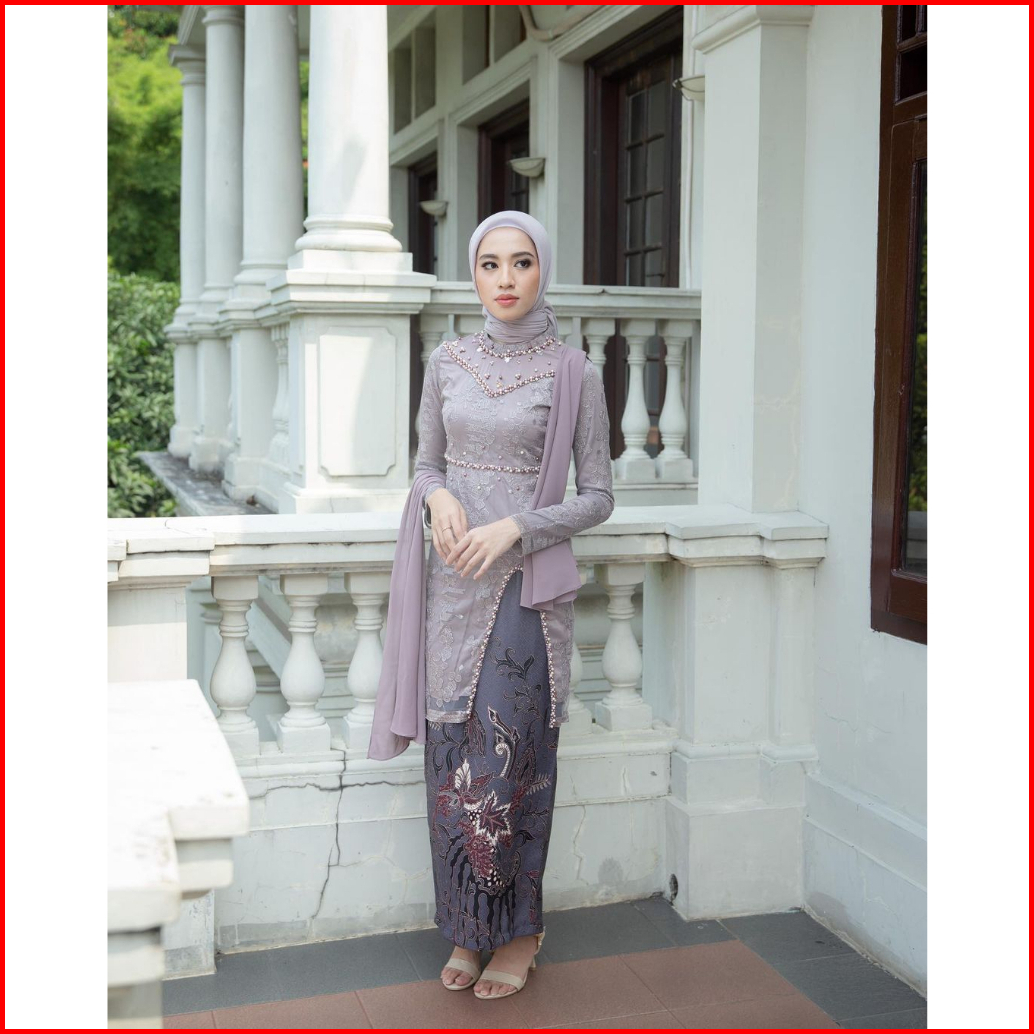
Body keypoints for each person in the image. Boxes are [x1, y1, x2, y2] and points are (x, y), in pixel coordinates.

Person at [372, 210, 615, 1001]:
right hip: (451, 588)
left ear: (543, 269)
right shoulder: (447, 362)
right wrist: (438, 497)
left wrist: (516, 527)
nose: (505, 279)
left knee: (512, 763)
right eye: (489, 264)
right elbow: (425, 465)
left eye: (521, 263)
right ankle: (467, 929)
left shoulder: (575, 373)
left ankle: (520, 933)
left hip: (523, 594)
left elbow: (599, 496)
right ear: (474, 274)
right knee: (452, 759)